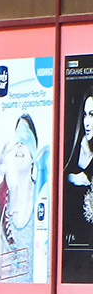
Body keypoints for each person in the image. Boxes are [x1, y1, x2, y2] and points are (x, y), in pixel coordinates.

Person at [0, 114, 47, 282]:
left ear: (33, 155)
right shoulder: (3, 197)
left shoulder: (42, 198)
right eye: (17, 140)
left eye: (25, 140)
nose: (19, 145)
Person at [63, 89, 93, 248]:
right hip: (68, 240)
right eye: (85, 114)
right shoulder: (71, 146)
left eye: (92, 115)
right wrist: (71, 178)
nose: (87, 122)